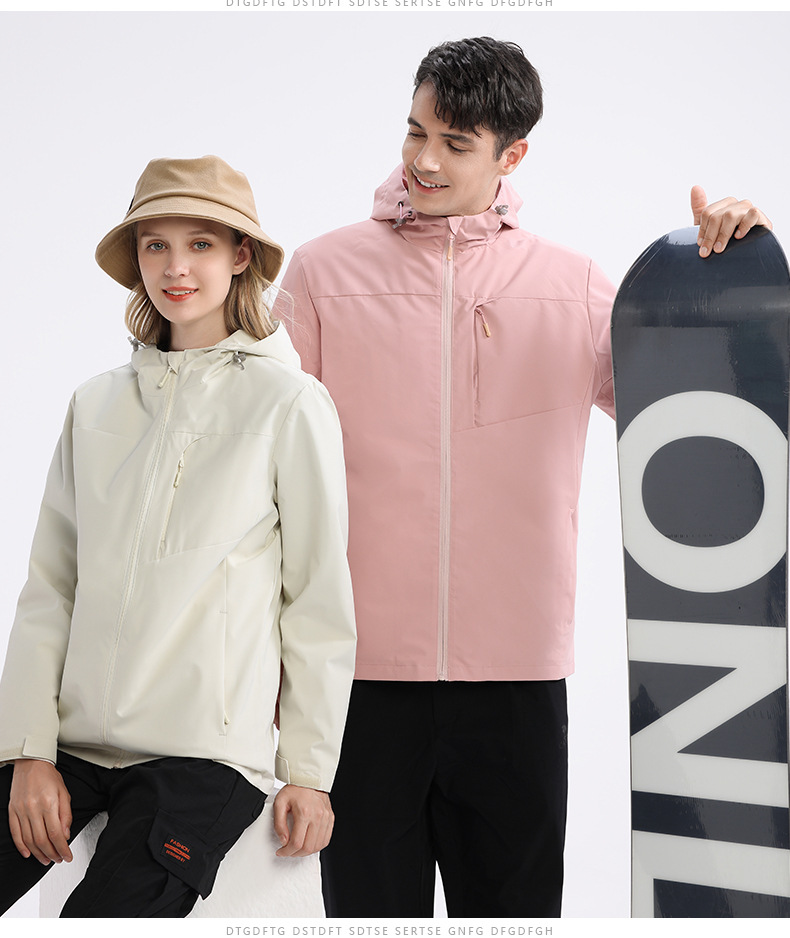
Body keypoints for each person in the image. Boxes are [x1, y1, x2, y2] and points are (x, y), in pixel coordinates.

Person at [276, 37, 772, 918]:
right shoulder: (322, 275)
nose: (425, 160)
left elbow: (699, 411)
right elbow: (259, 455)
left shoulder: (574, 287)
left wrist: (731, 275)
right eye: (416, 131)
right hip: (355, 679)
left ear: (512, 155)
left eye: (456, 143)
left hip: (515, 682)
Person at [0, 155, 356, 918]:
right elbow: (50, 587)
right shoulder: (94, 404)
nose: (175, 267)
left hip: (202, 756)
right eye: (155, 245)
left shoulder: (290, 403)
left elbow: (317, 599)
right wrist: (28, 750)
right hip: (74, 744)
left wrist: (309, 772)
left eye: (200, 244)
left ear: (240, 256)